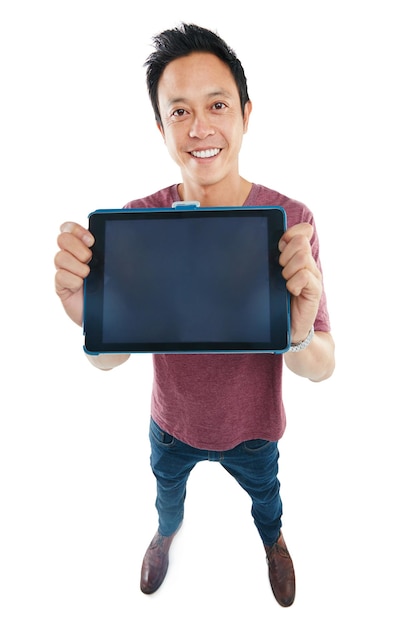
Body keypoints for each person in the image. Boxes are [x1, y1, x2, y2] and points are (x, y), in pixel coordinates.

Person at [54, 23, 335, 607]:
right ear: (161, 128)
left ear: (245, 113)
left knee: (267, 499)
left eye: (217, 105)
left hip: (255, 428)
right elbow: (110, 360)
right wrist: (89, 315)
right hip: (171, 423)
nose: (200, 127)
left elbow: (322, 366)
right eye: (179, 111)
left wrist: (300, 326)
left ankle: (273, 541)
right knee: (167, 497)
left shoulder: (290, 220)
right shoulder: (139, 222)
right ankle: (164, 536)